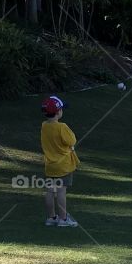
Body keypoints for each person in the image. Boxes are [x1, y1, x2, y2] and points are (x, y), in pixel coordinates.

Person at [40, 95, 79, 228]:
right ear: (58, 112)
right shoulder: (62, 127)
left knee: (50, 191)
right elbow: (72, 141)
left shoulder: (44, 125)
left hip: (50, 165)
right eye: (61, 109)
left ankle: (51, 217)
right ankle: (63, 218)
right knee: (61, 191)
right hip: (63, 165)